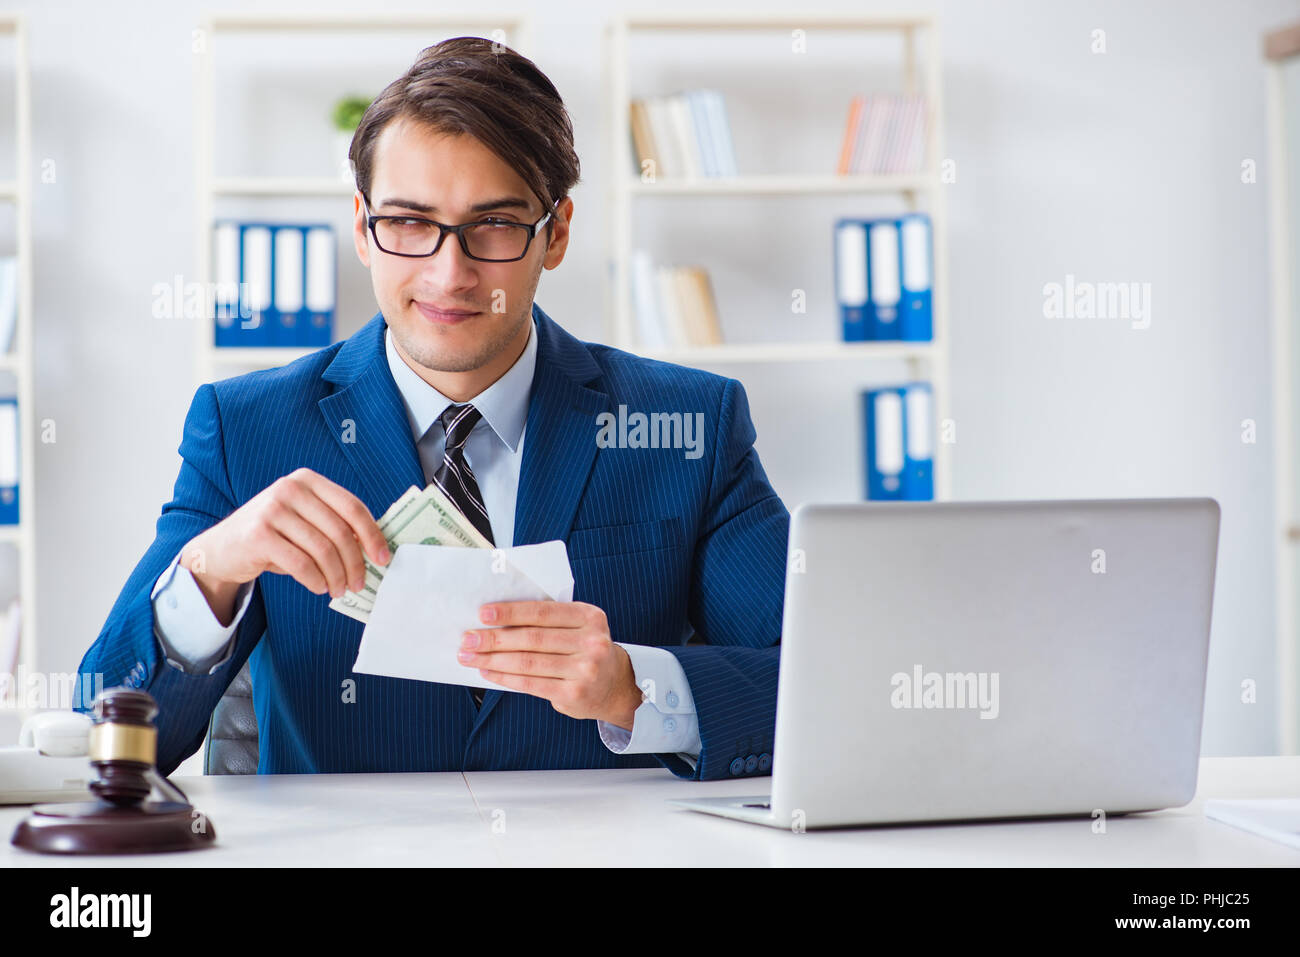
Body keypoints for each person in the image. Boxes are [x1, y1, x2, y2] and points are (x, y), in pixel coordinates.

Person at [77, 37, 788, 780]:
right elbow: (105, 736)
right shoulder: (245, 430)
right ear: (362, 227)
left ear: (558, 233)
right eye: (410, 223)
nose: (450, 274)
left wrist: (633, 687)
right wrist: (211, 570)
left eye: (495, 225)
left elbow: (820, 682)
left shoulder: (690, 428)